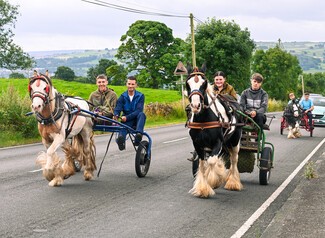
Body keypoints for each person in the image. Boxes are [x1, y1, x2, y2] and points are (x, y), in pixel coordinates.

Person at [114, 76, 146, 150]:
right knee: (122, 128)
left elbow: (139, 110)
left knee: (142, 114)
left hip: (137, 120)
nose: (130, 86)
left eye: (132, 84)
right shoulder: (122, 96)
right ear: (126, 84)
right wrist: (116, 115)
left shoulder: (140, 96)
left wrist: (127, 117)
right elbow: (118, 107)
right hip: (127, 120)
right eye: (129, 84)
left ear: (136, 85)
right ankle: (121, 141)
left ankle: (138, 136)